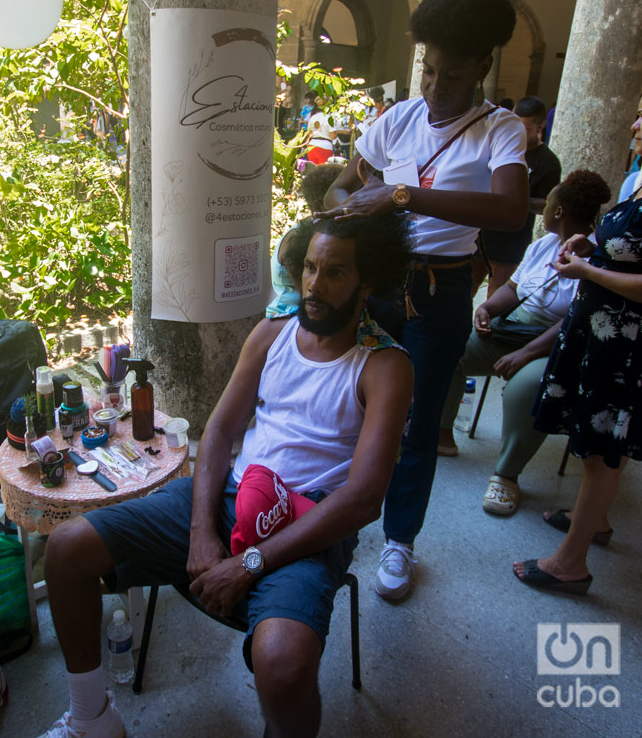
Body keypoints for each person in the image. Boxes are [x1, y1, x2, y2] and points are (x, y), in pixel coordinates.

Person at [37, 215, 413, 738]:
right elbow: (216, 433)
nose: (315, 284)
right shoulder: (272, 334)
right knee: (67, 549)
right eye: (309, 267)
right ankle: (90, 719)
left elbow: (363, 500)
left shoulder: (384, 365)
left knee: (283, 668)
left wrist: (249, 565)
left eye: (336, 272)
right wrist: (201, 533)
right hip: (233, 495)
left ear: (367, 282)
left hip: (309, 523)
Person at [318, 0, 529, 601]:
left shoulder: (502, 131)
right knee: (353, 409)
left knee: (416, 424)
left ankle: (400, 540)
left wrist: (406, 193)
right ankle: (333, 518)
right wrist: (349, 209)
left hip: (441, 294)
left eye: (454, 76)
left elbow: (511, 210)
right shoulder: (399, 118)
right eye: (430, 72)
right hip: (381, 286)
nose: (437, 89)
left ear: (483, 66)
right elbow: (341, 186)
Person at [515, 82, 642, 596]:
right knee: (592, 442)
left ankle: (570, 563)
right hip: (599, 334)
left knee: (602, 449)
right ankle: (593, 521)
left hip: (624, 344)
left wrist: (588, 272)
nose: (635, 125)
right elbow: (625, 246)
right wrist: (589, 244)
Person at [434, 171, 611, 515]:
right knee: (450, 349)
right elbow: (514, 290)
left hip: (557, 344)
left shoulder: (596, 259)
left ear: (558, 211)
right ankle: (441, 434)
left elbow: (573, 322)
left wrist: (525, 354)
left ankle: (506, 475)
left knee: (525, 388)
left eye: (548, 204)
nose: (543, 209)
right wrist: (486, 307)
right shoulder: (543, 244)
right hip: (513, 331)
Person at [474, 96, 562, 297]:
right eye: (513, 124)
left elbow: (546, 204)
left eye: (525, 128)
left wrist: (514, 200)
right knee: (465, 289)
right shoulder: (497, 148)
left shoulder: (548, 162)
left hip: (511, 241)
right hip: (481, 236)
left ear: (540, 126)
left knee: (495, 295)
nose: (516, 132)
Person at [268, 164, 345, 318]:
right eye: (342, 197)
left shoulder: (315, 231)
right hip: (290, 318)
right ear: (320, 207)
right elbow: (308, 298)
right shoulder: (300, 239)